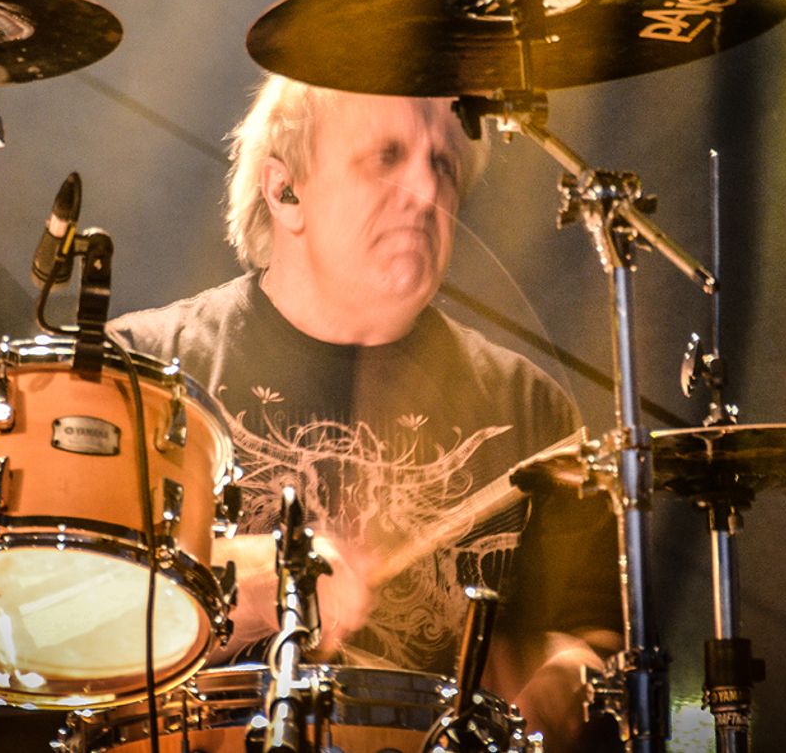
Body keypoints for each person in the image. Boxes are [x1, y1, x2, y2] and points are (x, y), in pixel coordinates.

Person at [109, 74, 621, 750]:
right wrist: (244, 583)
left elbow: (595, 638)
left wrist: (570, 678)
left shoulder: (529, 411)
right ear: (285, 191)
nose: (426, 190)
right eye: (387, 156)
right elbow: (45, 621)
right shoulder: (137, 372)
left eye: (442, 165)